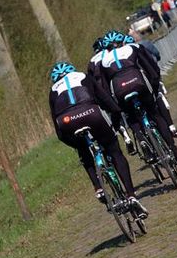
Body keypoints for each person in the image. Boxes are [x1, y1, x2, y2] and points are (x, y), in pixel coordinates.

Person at [49, 61, 148, 216]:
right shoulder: (84, 77)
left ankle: (98, 187)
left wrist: (74, 144)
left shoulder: (53, 91)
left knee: (83, 151)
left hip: (67, 121)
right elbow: (105, 99)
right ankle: (131, 195)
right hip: (91, 113)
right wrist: (116, 121)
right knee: (114, 151)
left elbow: (58, 129)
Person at [100, 31, 177, 168]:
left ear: (106, 48)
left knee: (132, 117)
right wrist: (154, 87)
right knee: (155, 114)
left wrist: (115, 108)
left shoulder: (103, 62)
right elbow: (151, 68)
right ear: (122, 41)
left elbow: (105, 89)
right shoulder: (133, 48)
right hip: (138, 83)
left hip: (119, 91)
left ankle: (141, 138)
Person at [123, 34, 177, 139]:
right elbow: (156, 55)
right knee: (157, 97)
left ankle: (143, 137)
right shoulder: (142, 44)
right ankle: (171, 126)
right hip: (149, 76)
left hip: (132, 83)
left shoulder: (123, 55)